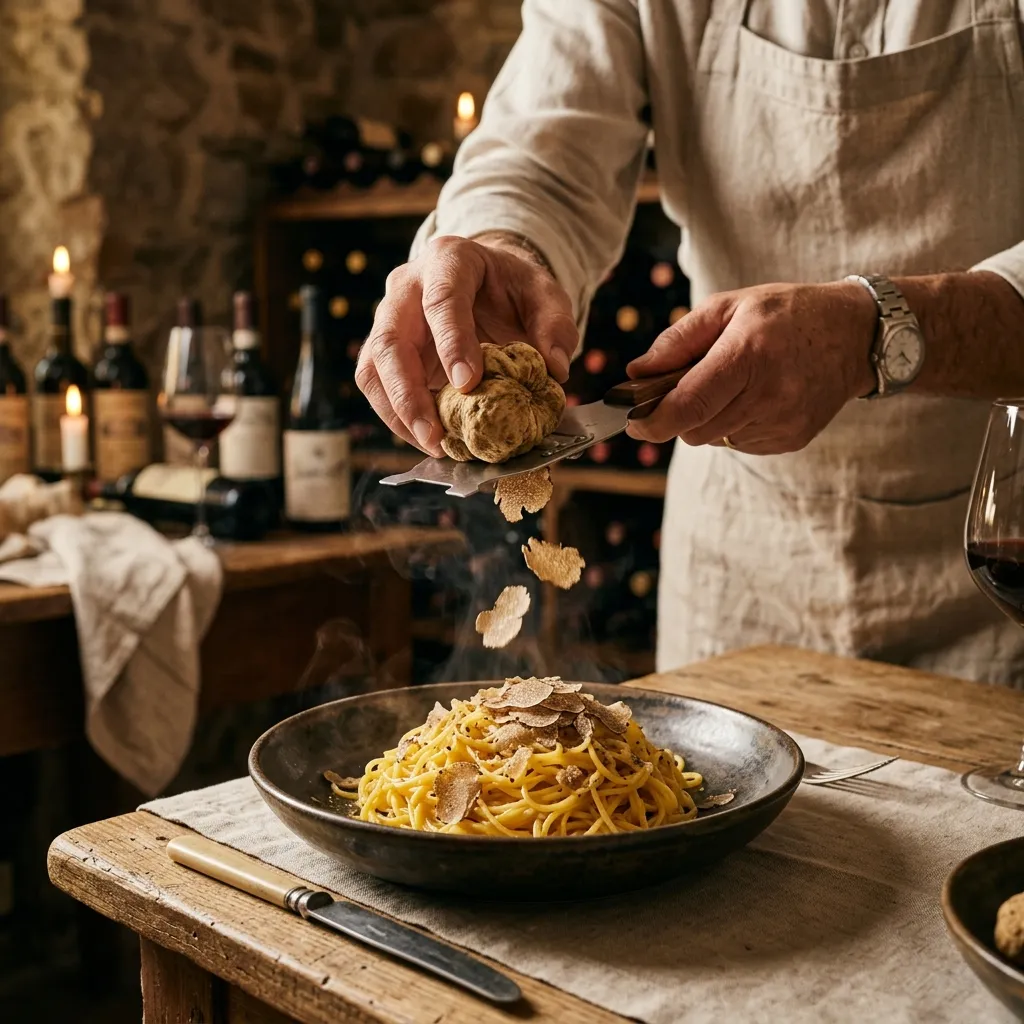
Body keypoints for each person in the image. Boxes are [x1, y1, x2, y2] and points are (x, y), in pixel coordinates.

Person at [356, 1, 1024, 685]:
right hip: (741, 559)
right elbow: (546, 151)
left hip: (999, 555)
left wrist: (877, 330)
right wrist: (502, 242)